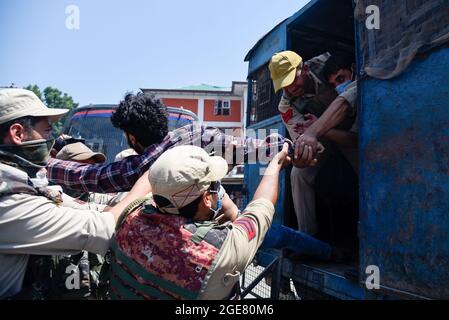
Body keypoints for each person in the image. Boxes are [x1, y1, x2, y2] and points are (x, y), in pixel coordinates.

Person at [0, 88, 152, 299]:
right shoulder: (8, 200)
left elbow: (80, 206)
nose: (51, 138)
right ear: (18, 133)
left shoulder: (24, 183)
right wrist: (148, 178)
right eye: (47, 130)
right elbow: (102, 228)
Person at [110, 144, 290, 300]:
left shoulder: (131, 217)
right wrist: (276, 164)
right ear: (206, 199)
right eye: (214, 185)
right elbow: (261, 205)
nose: (218, 188)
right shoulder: (221, 249)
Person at [46, 92, 288, 194]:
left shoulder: (137, 169)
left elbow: (87, 176)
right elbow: (248, 148)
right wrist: (286, 146)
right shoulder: (196, 135)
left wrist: (41, 163)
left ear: (131, 137)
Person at [269, 51, 358, 235]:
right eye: (284, 86)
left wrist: (316, 127)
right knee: (298, 174)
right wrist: (300, 157)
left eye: (293, 81)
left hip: (353, 129)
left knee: (364, 160)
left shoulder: (328, 63)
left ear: (306, 69)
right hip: (320, 139)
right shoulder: (287, 105)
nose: (290, 89)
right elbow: (304, 146)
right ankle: (308, 239)